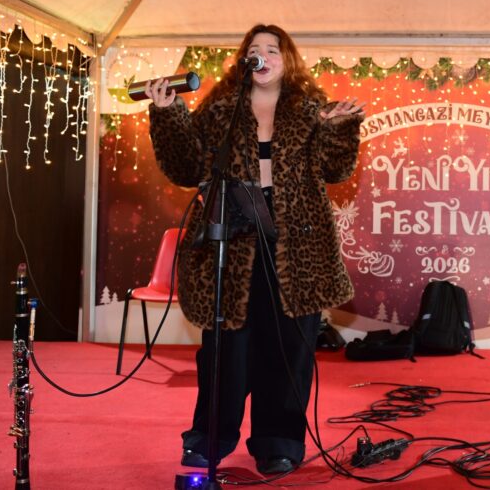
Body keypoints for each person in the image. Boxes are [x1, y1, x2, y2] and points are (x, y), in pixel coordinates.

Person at [144, 24, 365, 477]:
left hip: (296, 247)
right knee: (225, 351)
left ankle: (278, 442)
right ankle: (209, 439)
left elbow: (336, 169)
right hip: (233, 244)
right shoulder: (221, 110)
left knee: (287, 351)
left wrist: (339, 129)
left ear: (288, 60)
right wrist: (169, 114)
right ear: (244, 59)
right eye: (254, 49)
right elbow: (186, 167)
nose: (263, 55)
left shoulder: (310, 111)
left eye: (273, 49)